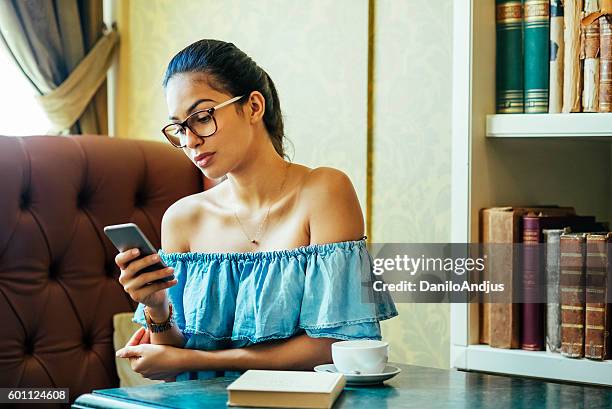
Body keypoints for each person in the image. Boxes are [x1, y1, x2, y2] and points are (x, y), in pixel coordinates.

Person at [114, 39, 397, 381]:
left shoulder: (324, 192)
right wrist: (157, 306)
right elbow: (166, 367)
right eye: (179, 128)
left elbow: (333, 346)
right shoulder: (182, 218)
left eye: (202, 117)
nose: (190, 141)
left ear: (253, 106)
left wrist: (192, 360)